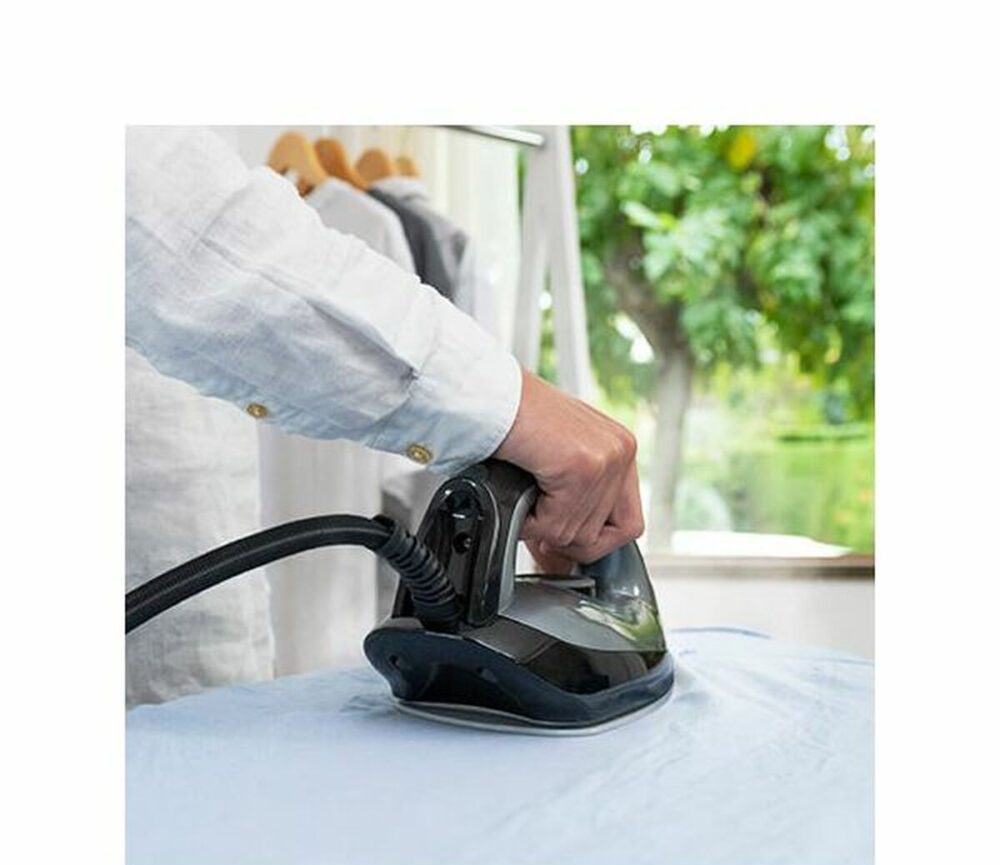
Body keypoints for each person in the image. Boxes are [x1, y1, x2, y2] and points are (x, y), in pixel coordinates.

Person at [126, 127, 643, 569]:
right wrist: (511, 408)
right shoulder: (362, 232)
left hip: (209, 551)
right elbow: (184, 236)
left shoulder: (395, 232)